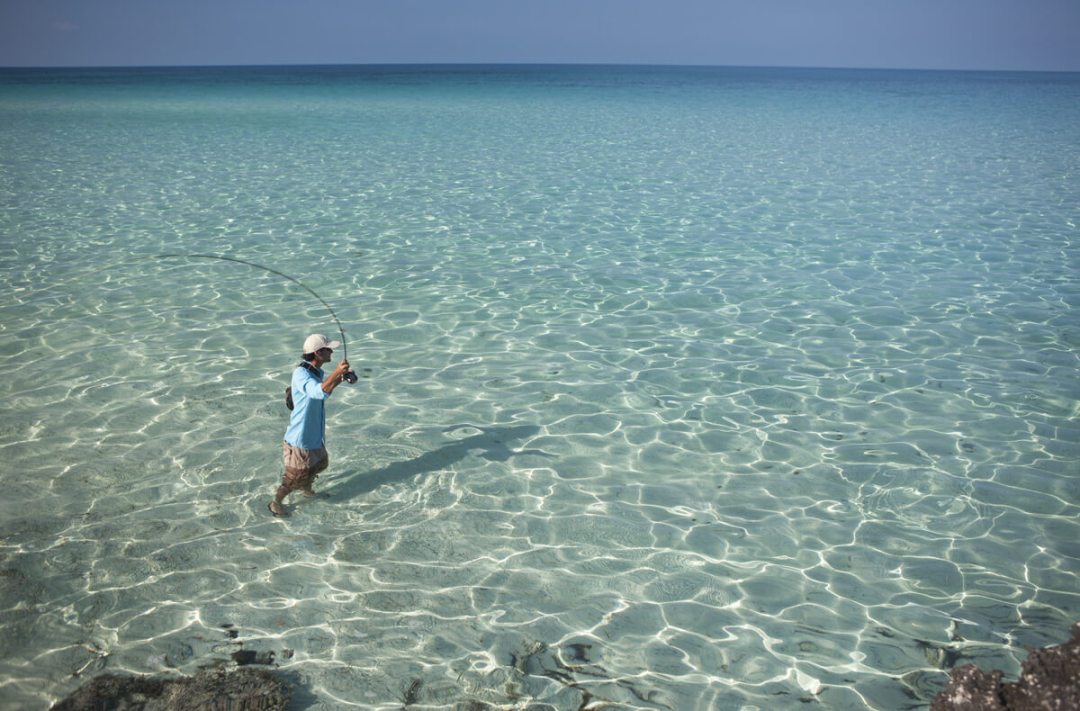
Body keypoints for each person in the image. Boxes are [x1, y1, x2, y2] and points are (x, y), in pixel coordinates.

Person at [269, 333, 352, 516]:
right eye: (328, 349)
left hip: (314, 436)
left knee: (320, 464)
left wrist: (340, 378)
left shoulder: (315, 372)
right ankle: (275, 502)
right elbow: (318, 392)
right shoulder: (301, 373)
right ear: (317, 353)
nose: (331, 351)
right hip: (300, 440)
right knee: (293, 479)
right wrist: (337, 372)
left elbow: (324, 390)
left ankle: (307, 491)